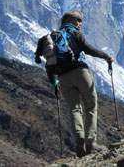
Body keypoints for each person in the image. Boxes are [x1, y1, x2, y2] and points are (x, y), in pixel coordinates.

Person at [35, 10, 114, 157]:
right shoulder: (73, 32)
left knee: (74, 109)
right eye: (78, 20)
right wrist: (106, 57)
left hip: (63, 78)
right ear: (70, 20)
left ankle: (79, 141)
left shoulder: (52, 38)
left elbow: (49, 64)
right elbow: (88, 49)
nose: (80, 23)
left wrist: (54, 84)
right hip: (80, 72)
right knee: (91, 105)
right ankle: (91, 142)